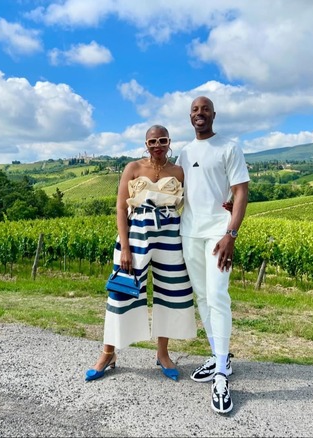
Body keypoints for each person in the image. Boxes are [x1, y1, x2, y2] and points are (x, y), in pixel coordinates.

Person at [85, 125, 197, 382]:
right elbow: (120, 209)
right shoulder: (132, 168)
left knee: (171, 293)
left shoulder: (178, 171)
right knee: (121, 294)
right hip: (136, 236)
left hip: (170, 236)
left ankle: (163, 353)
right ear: (145, 143)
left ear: (170, 142)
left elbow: (196, 199)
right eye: (152, 141)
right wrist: (125, 246)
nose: (157, 145)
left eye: (162, 140)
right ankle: (108, 352)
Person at [177, 96, 249, 415]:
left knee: (218, 296)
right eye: (195, 110)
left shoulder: (229, 147)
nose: (200, 113)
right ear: (190, 117)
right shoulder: (184, 151)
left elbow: (241, 192)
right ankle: (221, 356)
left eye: (205, 109)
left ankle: (221, 375)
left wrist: (231, 233)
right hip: (189, 232)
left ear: (214, 115)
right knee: (203, 298)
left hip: (219, 235)